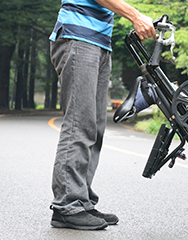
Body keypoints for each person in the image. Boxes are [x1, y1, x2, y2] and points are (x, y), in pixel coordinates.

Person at [49, 0, 156, 230]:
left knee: (94, 127)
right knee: (79, 123)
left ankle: (81, 201)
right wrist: (135, 16)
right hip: (78, 37)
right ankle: (67, 205)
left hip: (98, 42)